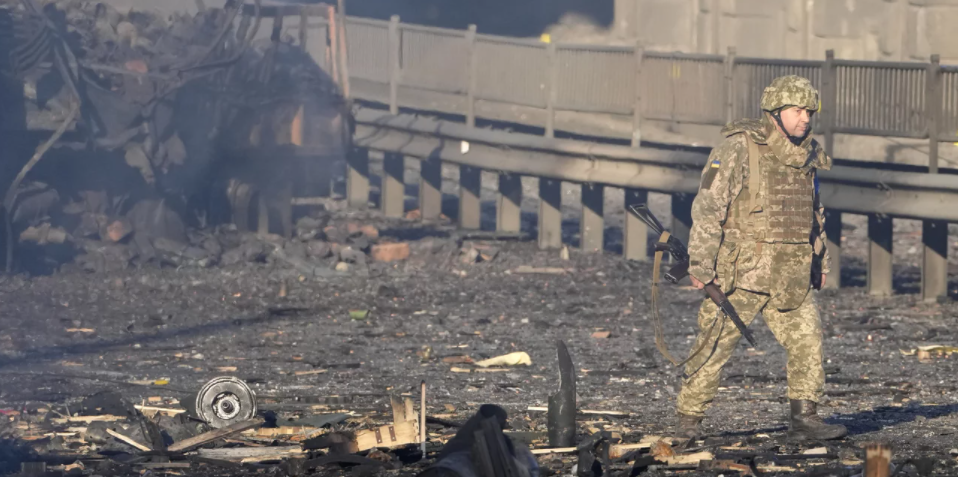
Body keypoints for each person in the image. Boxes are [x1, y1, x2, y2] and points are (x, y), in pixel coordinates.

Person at [674, 75, 847, 442]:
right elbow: (708, 207)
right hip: (742, 274)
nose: (806, 118)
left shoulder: (808, 154)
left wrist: (821, 262)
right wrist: (701, 267)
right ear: (774, 112)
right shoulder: (739, 147)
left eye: (809, 111)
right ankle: (688, 421)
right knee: (714, 347)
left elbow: (813, 213)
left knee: (807, 342)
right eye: (797, 110)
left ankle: (805, 419)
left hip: (792, 273)